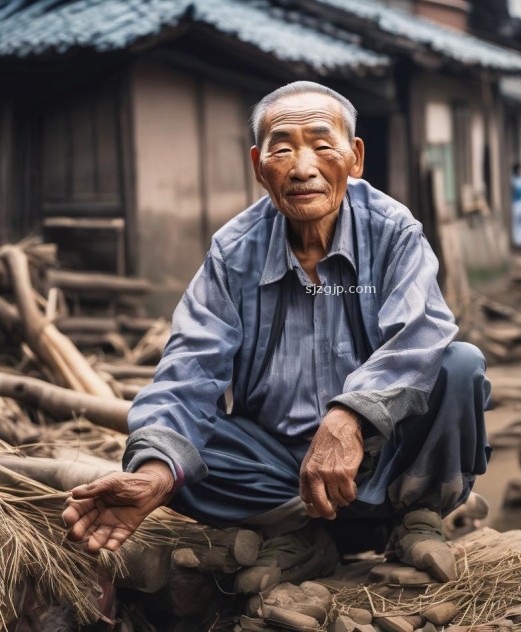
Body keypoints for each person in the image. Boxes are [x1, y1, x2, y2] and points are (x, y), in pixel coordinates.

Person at [62, 81, 491, 594]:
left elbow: (421, 334)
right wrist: (156, 472)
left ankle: (416, 518)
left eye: (321, 144)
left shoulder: (393, 229)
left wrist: (351, 413)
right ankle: (301, 533)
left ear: (354, 158)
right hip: (279, 470)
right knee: (172, 454)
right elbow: (187, 371)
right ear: (258, 167)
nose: (302, 167)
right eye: (282, 148)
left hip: (387, 456)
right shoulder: (233, 251)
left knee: (459, 365)